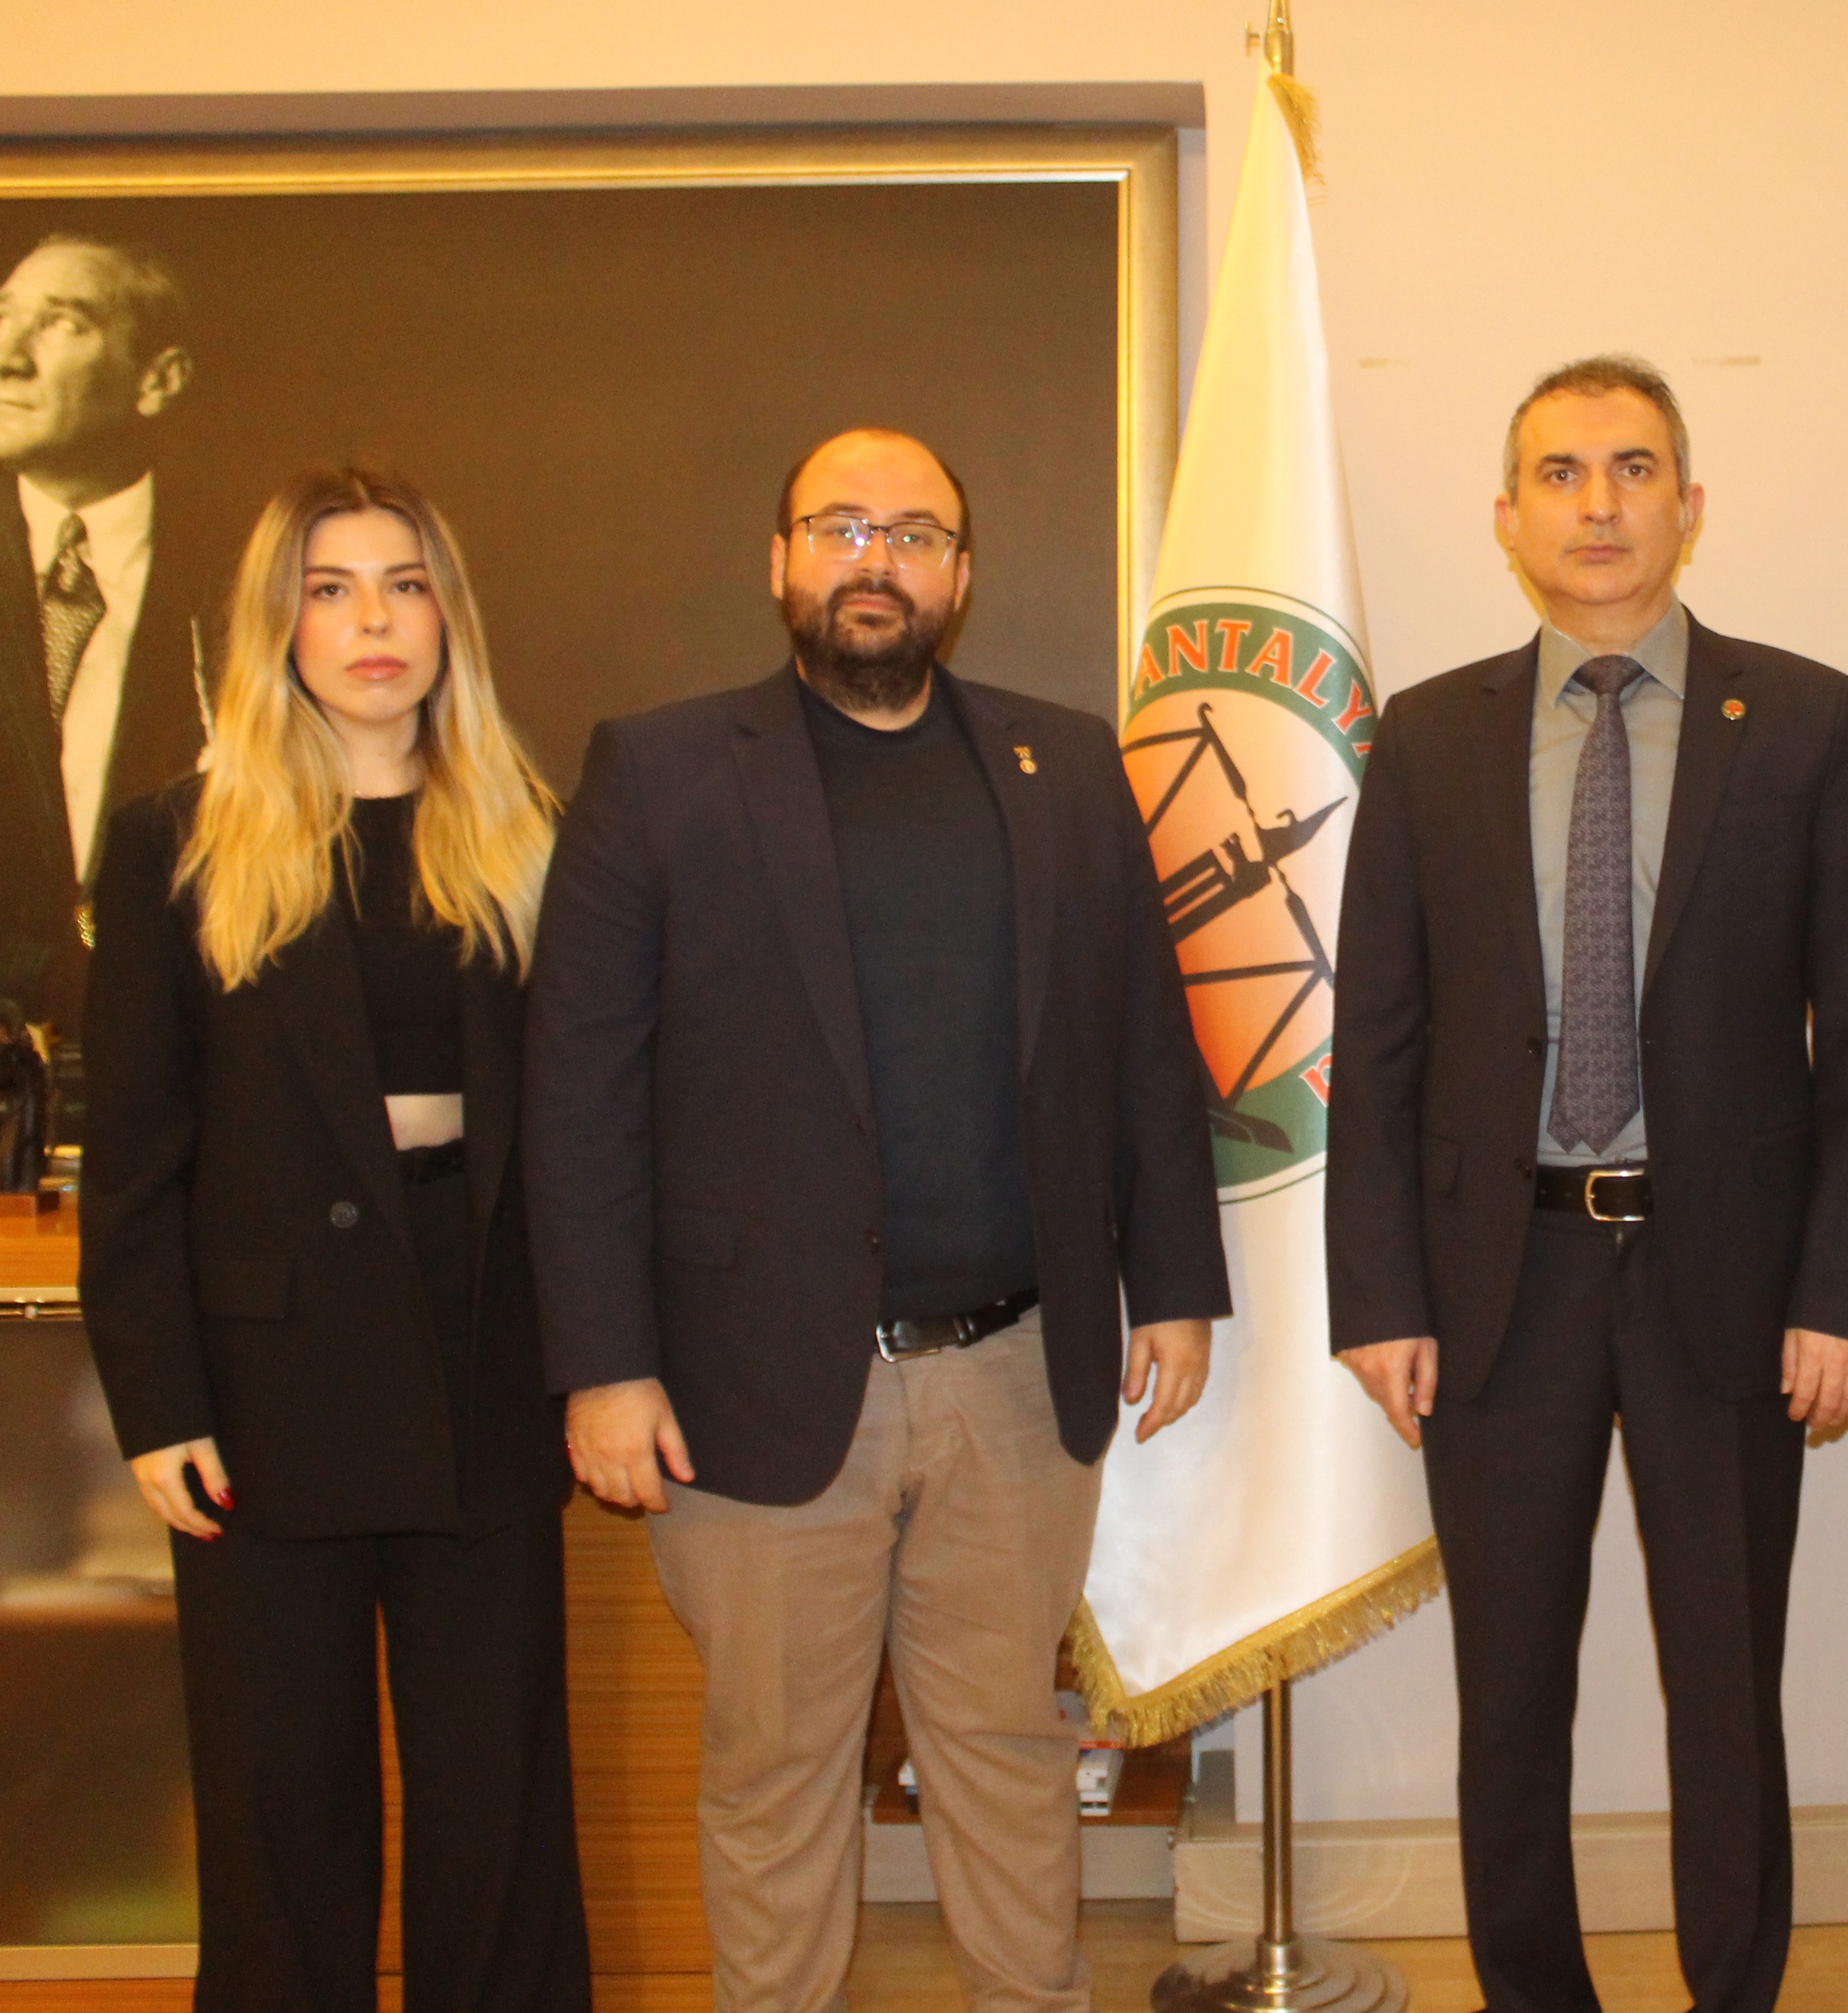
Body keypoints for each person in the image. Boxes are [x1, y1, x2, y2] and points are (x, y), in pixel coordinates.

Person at [526, 426, 1228, 2013]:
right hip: (753, 1380)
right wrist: (604, 1366)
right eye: (840, 526)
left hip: (1016, 1369)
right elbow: (579, 1094)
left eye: (912, 534)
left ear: (960, 577)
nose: (875, 559)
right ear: (779, 559)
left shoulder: (1065, 766)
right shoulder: (659, 771)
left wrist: (1175, 1283)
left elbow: (1140, 1040)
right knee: (776, 1770)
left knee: (1008, 1752)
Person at [1328, 356, 1848, 2013]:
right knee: (1509, 1694)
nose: (1598, 504)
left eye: (1634, 468)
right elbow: (1377, 1041)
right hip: (1495, 1280)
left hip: (1728, 1277)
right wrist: (1378, 1295)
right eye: (1561, 473)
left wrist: (1847, 1291)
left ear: (1690, 504)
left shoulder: (1802, 718)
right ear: (1507, 518)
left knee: (1728, 1692)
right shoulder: (1431, 734)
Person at [79, 463, 589, 2013]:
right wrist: (157, 1402)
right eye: (332, 589)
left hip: (485, 1361)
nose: (375, 622)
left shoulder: (534, 837)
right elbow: (134, 1163)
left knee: (497, 1811)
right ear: (279, 624)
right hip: (264, 1392)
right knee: (278, 1815)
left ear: (449, 619)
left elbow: (591, 1134)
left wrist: (604, 1362)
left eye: (405, 586)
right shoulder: (173, 843)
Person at [0, 233, 221, 1044]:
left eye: (62, 323)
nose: (8, 357)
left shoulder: (238, 570)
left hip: (177, 1051)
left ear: (158, 380)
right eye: (2, 315)